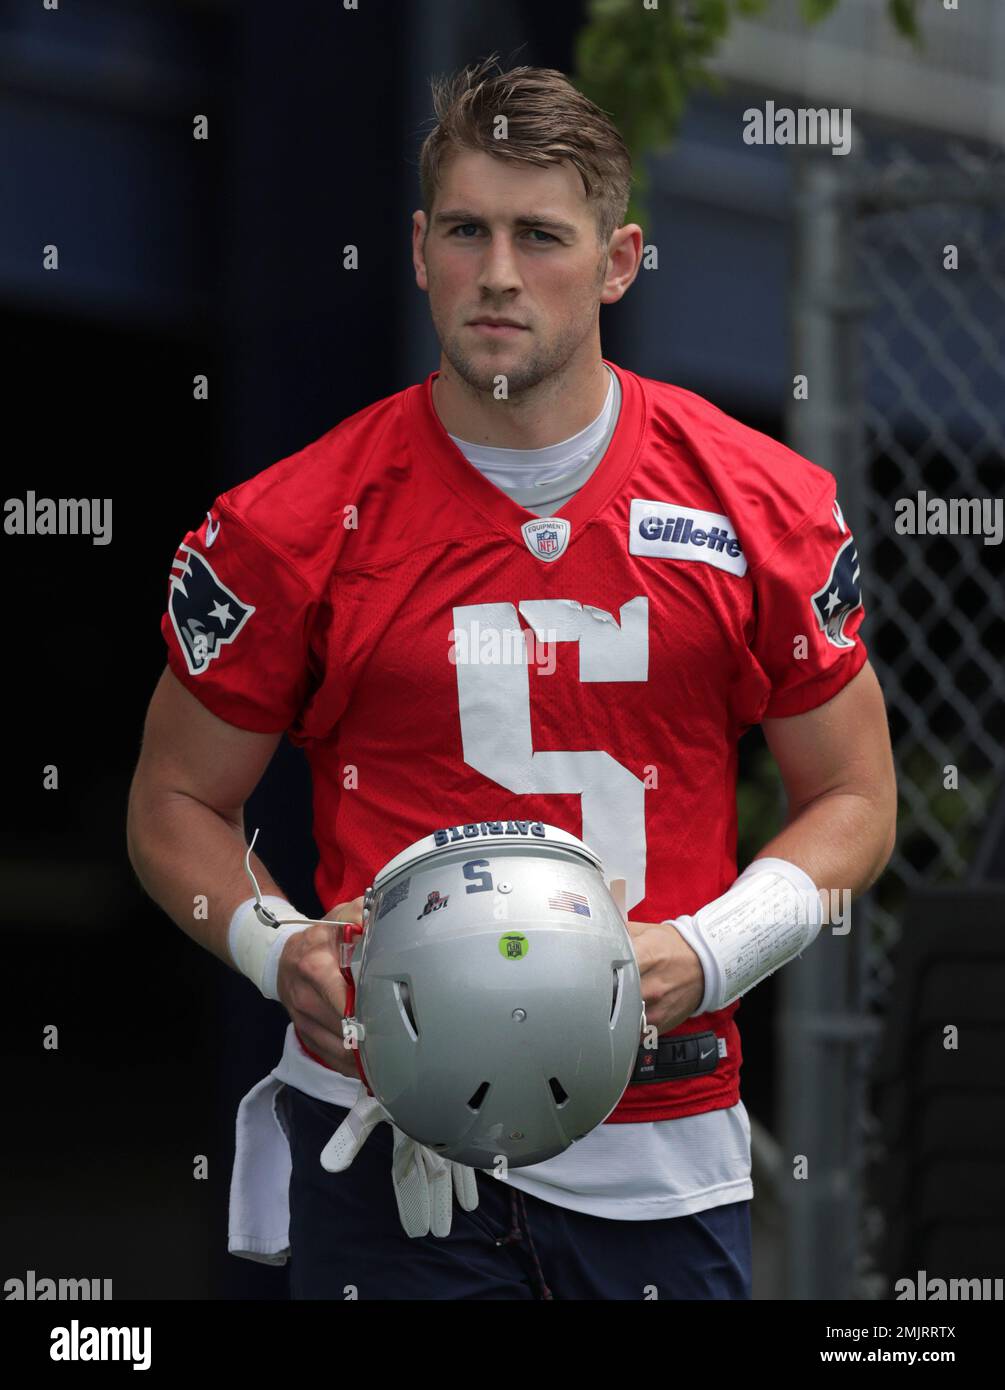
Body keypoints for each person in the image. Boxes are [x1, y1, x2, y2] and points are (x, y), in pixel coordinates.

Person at [126, 55, 897, 1300]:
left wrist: (705, 951)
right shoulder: (294, 521)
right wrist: (281, 952)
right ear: (420, 247)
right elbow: (171, 802)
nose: (497, 273)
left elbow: (859, 798)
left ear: (619, 260)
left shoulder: (755, 504)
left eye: (541, 235)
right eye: (469, 232)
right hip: (390, 1143)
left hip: (660, 1142)